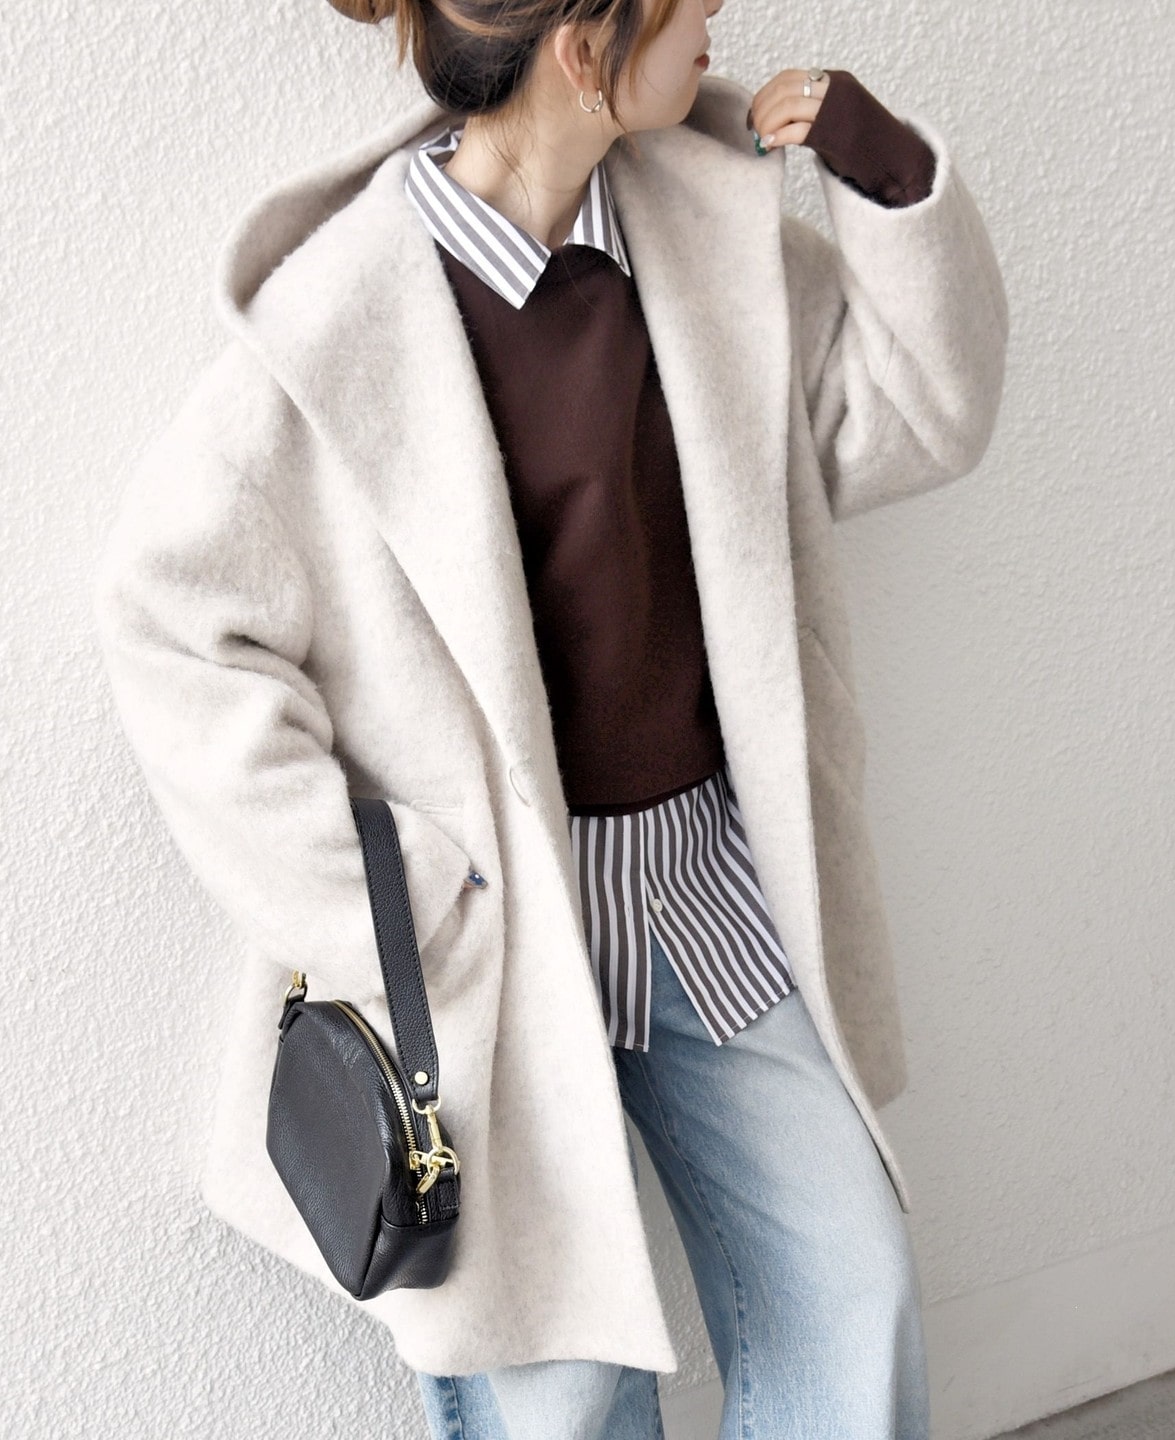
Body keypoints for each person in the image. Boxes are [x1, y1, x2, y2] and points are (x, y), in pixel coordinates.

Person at [91, 0, 1008, 1436]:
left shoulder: (704, 230)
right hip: (489, 942)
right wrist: (388, 896)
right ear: (585, 49)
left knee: (852, 1293)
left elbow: (910, 418)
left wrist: (878, 167)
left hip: (700, 880)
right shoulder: (342, 314)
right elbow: (167, 619)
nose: (717, 13)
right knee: (560, 1398)